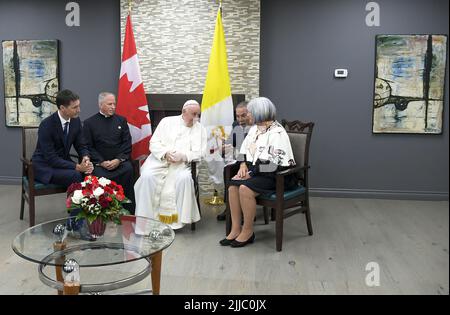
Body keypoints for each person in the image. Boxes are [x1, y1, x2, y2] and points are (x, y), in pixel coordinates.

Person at [219, 97, 298, 248]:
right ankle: (236, 229)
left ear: (259, 113)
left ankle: (248, 231)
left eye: (249, 113)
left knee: (244, 189)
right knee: (232, 187)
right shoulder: (255, 129)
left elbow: (273, 165)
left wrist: (251, 173)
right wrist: (242, 165)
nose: (247, 116)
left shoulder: (277, 133)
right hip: (259, 172)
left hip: (278, 175)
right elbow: (244, 150)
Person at [134, 100, 207, 230]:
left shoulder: (200, 129)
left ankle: (178, 221)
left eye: (198, 114)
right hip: (159, 161)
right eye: (194, 114)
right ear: (184, 112)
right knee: (146, 177)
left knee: (184, 179)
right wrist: (165, 153)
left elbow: (201, 152)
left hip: (183, 165)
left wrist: (184, 156)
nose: (196, 118)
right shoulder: (166, 122)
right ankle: (146, 221)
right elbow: (153, 143)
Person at [83, 92, 136, 214]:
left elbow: (127, 143)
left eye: (114, 104)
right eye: (109, 104)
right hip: (100, 164)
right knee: (96, 175)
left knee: (128, 169)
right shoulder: (89, 123)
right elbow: (88, 146)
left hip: (119, 162)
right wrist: (101, 162)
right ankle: (101, 210)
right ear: (101, 105)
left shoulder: (121, 121)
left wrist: (118, 160)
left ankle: (126, 210)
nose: (113, 107)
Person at [32, 89, 93, 188]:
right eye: (75, 107)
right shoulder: (46, 125)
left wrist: (86, 158)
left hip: (63, 162)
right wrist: (77, 167)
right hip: (45, 165)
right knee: (76, 175)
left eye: (79, 106)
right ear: (62, 108)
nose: (79, 110)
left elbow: (81, 145)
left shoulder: (75, 121)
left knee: (89, 172)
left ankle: (84, 203)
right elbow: (51, 158)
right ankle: (76, 203)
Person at [216, 101, 253, 221]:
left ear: (250, 113)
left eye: (243, 115)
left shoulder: (257, 126)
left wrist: (243, 161)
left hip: (254, 162)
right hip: (240, 159)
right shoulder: (236, 124)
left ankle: (244, 210)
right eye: (237, 116)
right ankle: (230, 208)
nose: (240, 119)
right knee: (227, 169)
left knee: (239, 171)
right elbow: (230, 144)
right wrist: (223, 147)